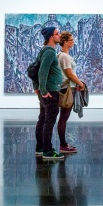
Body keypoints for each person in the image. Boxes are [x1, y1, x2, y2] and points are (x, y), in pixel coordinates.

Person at [33, 27, 64, 160]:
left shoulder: (44, 50)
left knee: (43, 118)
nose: (60, 35)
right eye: (57, 33)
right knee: (49, 120)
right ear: (51, 37)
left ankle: (40, 148)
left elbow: (35, 67)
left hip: (47, 91)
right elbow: (42, 71)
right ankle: (48, 151)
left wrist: (37, 87)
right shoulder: (49, 52)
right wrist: (44, 90)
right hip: (50, 91)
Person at [57, 31, 85, 153]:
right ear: (65, 42)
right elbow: (70, 74)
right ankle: (63, 145)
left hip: (67, 87)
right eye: (71, 40)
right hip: (68, 89)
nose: (73, 41)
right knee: (64, 117)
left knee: (64, 117)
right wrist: (80, 83)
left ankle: (64, 144)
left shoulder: (61, 55)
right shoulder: (65, 57)